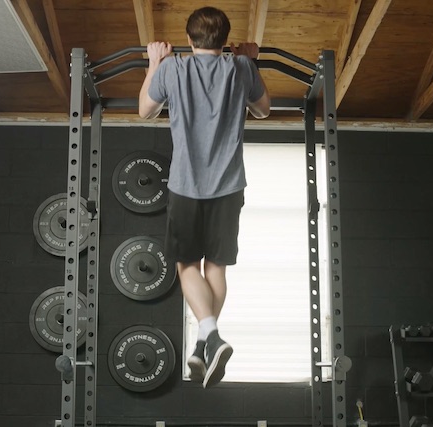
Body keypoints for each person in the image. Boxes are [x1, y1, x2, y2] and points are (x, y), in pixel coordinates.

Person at [138, 6, 271, 388]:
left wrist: (154, 62)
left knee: (185, 267)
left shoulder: (173, 68)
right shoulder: (241, 68)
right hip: (228, 187)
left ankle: (209, 335)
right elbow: (262, 110)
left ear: (191, 38)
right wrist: (250, 61)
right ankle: (203, 344)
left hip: (186, 187)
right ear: (224, 39)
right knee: (216, 267)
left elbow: (145, 111)